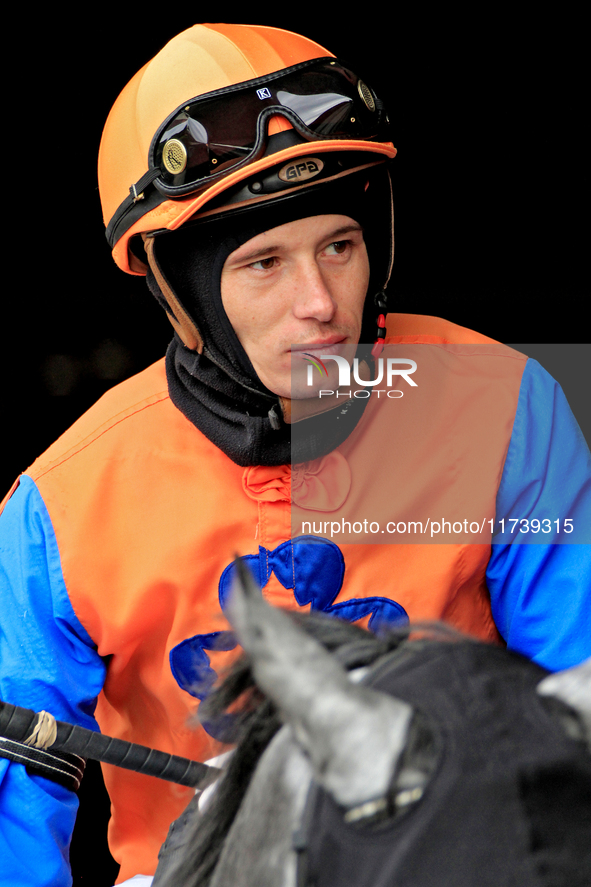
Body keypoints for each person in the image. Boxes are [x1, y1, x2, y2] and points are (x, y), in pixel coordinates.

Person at [0, 21, 589, 887]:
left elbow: (576, 689)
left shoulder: (503, 406)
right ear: (177, 286)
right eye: (264, 263)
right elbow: (16, 817)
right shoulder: (60, 503)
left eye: (338, 247)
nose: (319, 302)